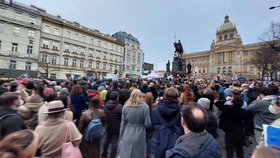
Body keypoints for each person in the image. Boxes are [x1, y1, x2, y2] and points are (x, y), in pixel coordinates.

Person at [150, 87, 184, 158]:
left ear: (164, 96)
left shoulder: (154, 110)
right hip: (175, 142)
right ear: (176, 97)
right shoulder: (180, 111)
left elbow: (152, 126)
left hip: (157, 142)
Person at [119, 89, 151, 158]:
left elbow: (123, 123)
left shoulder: (125, 107)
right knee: (139, 154)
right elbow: (147, 123)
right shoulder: (145, 107)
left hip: (127, 132)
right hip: (140, 133)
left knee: (126, 153)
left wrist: (121, 135)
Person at [102, 91, 122, 158]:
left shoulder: (106, 106)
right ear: (117, 98)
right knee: (114, 142)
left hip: (108, 125)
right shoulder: (119, 107)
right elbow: (121, 116)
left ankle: (104, 154)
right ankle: (112, 156)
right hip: (116, 126)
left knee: (106, 139)